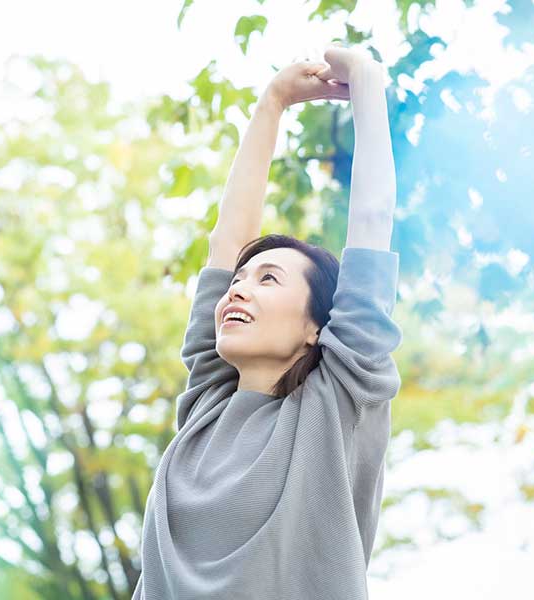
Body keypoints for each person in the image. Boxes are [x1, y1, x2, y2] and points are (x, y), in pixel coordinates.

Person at [132, 44, 403, 600]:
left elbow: (373, 219)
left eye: (269, 279)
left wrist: (366, 81)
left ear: (317, 327)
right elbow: (226, 239)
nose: (237, 288)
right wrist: (272, 102)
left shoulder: (335, 404)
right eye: (238, 279)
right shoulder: (208, 405)